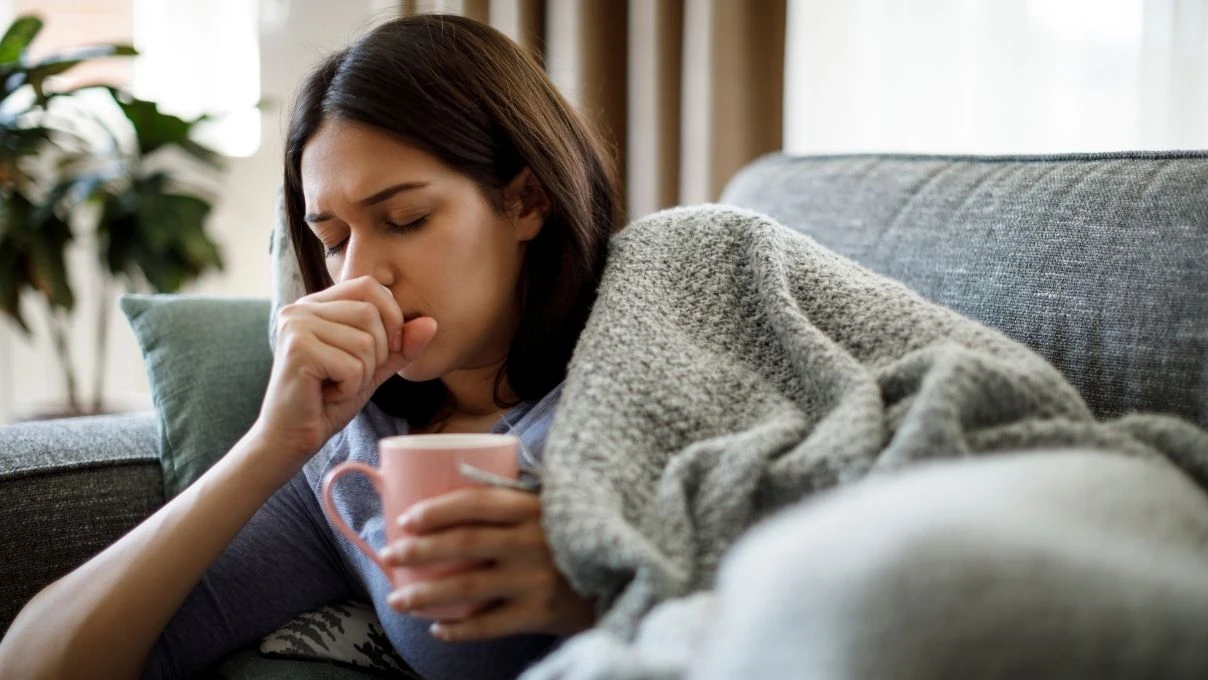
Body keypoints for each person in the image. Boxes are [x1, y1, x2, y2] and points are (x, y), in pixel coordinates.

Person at [0, 14, 619, 680]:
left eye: (404, 220)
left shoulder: (646, 365)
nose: (358, 276)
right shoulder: (351, 466)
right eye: (333, 240)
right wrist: (271, 445)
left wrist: (600, 594)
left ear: (527, 202)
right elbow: (35, 667)